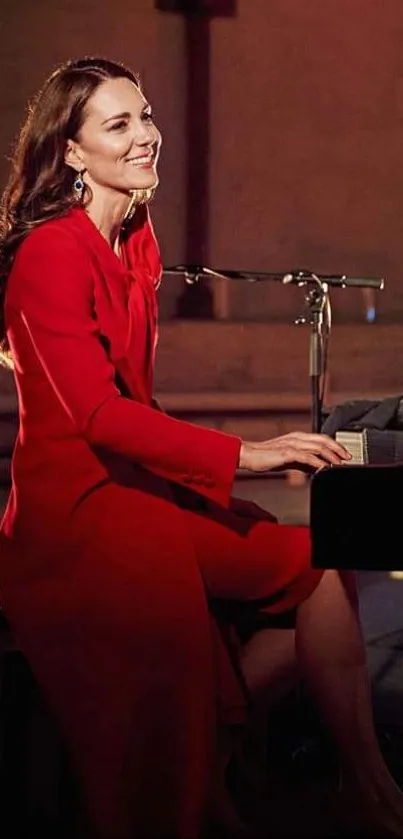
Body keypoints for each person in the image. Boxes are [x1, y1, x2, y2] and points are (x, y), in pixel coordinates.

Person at [0, 56, 402, 839]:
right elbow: (97, 416)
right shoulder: (53, 251)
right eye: (118, 124)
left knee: (317, 564)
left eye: (144, 115)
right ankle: (209, 774)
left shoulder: (136, 242)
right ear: (71, 152)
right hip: (78, 515)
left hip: (139, 490)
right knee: (207, 635)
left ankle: (367, 788)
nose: (145, 135)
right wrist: (245, 454)